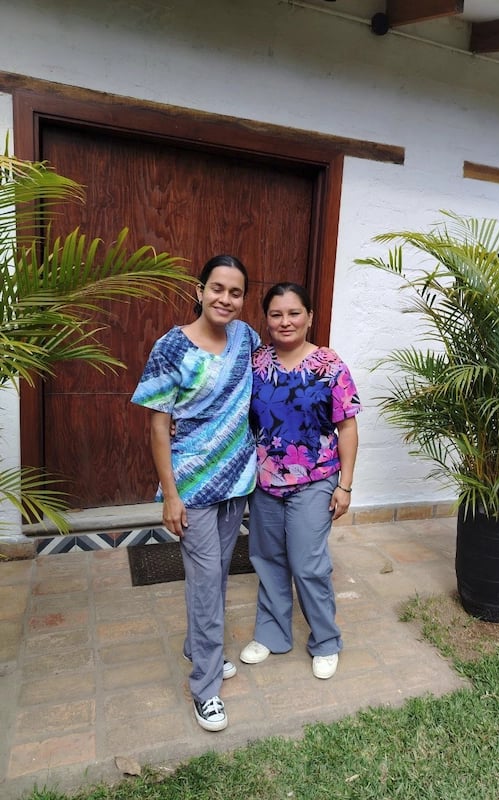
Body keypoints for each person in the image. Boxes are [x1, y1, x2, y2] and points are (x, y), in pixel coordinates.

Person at [131, 254, 259, 732]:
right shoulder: (171, 347)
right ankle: (206, 687)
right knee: (206, 580)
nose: (226, 299)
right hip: (192, 485)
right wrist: (170, 495)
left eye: (235, 292)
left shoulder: (247, 339)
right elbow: (157, 426)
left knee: (217, 573)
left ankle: (198, 645)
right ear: (199, 290)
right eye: (217, 288)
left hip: (237, 479)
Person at [240, 282, 361, 680]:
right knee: (268, 559)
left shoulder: (329, 365)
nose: (285, 321)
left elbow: (347, 426)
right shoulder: (256, 363)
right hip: (265, 481)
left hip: (316, 479)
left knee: (308, 564)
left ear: (310, 316)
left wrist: (345, 485)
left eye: (294, 313)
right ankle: (271, 634)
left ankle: (325, 641)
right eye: (276, 314)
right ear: (266, 319)